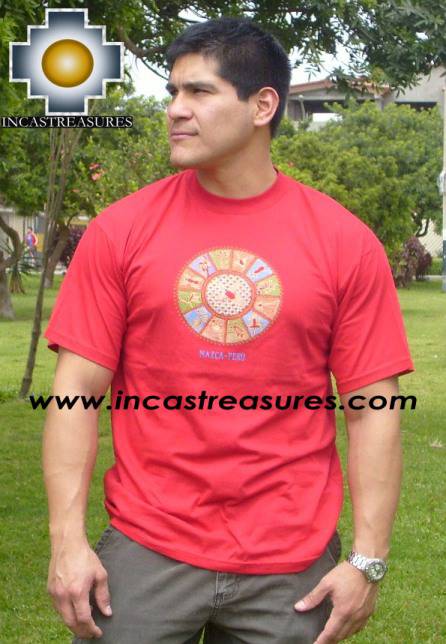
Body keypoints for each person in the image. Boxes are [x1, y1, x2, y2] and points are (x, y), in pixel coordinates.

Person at [42, 16, 415, 644]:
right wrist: (66, 542)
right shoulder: (121, 231)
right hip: (147, 546)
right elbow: (76, 391)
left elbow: (372, 409)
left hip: (291, 563)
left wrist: (368, 560)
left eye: (200, 91)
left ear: (262, 106)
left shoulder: (343, 243)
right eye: (173, 92)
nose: (175, 109)